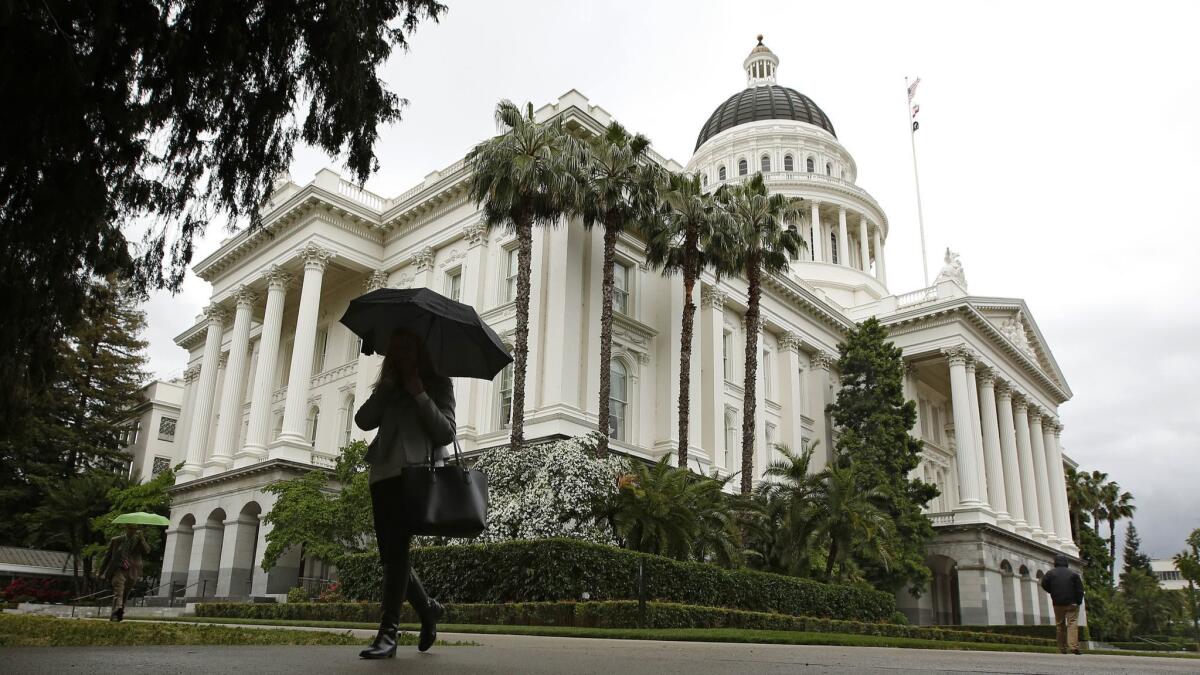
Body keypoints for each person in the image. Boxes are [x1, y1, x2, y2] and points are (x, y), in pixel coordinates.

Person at [354, 330, 455, 659]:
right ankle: (428, 610)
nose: (400, 352)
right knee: (392, 557)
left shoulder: (438, 382)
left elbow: (446, 432)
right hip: (381, 475)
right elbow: (363, 420)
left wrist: (420, 394)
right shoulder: (388, 385)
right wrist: (385, 390)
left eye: (405, 345)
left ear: (419, 348)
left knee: (396, 554)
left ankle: (389, 633)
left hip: (415, 477)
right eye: (395, 347)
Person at [99, 525, 150, 622]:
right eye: (130, 528)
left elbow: (147, 551)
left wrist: (143, 539)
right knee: (119, 591)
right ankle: (117, 612)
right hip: (118, 569)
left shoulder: (139, 541)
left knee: (125, 594)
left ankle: (118, 612)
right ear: (125, 528)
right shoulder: (116, 540)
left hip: (132, 570)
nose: (132, 531)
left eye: (134, 529)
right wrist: (101, 572)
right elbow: (107, 557)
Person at [1041, 553, 1085, 654]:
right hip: (1072, 602)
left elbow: (1044, 584)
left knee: (1060, 625)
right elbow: (1080, 589)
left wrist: (1052, 592)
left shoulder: (1050, 574)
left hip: (1058, 602)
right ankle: (1073, 647)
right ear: (1066, 563)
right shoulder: (1073, 574)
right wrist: (1078, 601)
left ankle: (1062, 648)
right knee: (1072, 624)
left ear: (1055, 563)